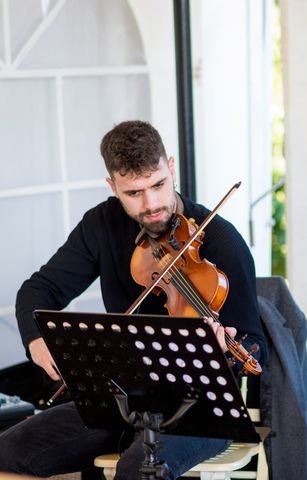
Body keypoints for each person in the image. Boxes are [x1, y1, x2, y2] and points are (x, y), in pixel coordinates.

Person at [0, 120, 266, 479]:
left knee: (141, 469)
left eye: (158, 185)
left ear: (171, 167)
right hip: (121, 400)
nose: (152, 204)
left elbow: (253, 343)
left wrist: (222, 350)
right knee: (8, 450)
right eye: (134, 193)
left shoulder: (219, 241)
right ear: (113, 186)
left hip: (200, 408)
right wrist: (36, 341)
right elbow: (37, 290)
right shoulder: (101, 225)